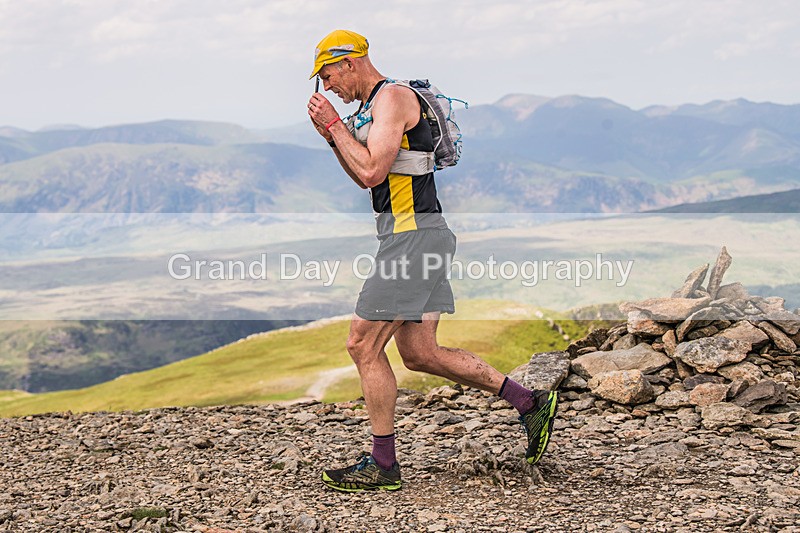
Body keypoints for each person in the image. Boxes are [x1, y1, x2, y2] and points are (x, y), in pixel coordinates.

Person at [306, 29, 558, 492]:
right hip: (418, 237)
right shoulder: (369, 109)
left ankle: (383, 465)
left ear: (351, 62)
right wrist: (332, 134)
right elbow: (364, 176)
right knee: (421, 354)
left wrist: (336, 127)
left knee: (362, 345)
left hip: (413, 240)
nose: (327, 88)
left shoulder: (394, 99)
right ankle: (530, 402)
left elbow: (372, 169)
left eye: (328, 75)